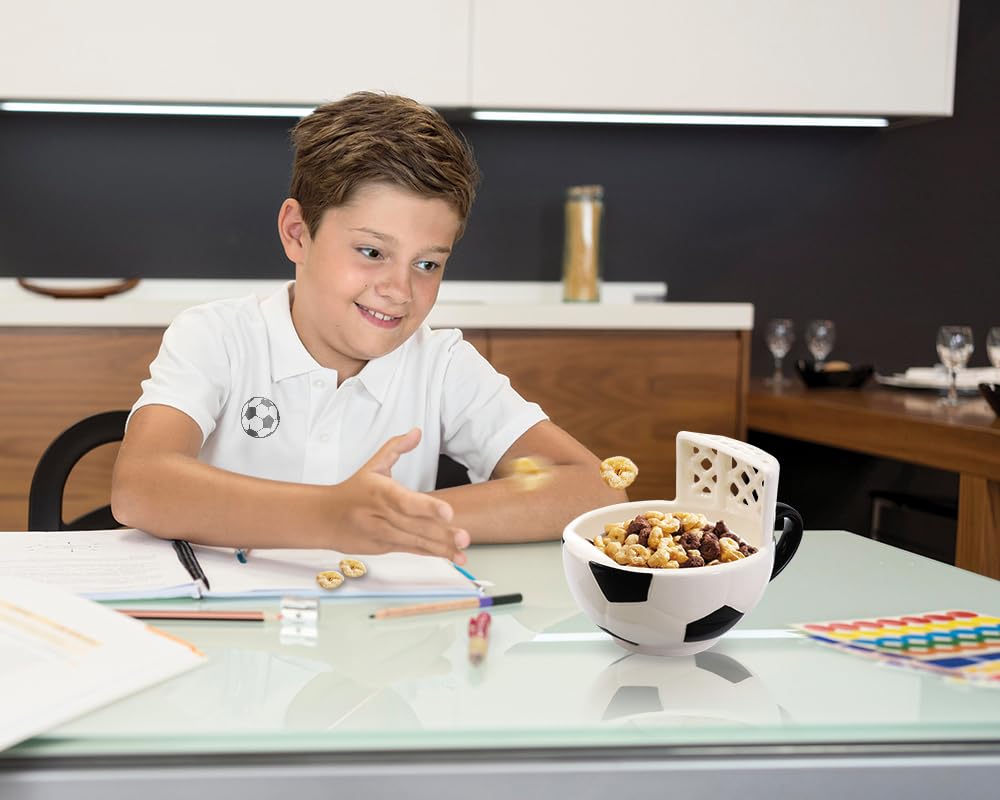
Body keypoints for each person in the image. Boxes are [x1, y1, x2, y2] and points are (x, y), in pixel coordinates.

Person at [111, 91, 625, 565]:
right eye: (372, 252)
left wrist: (393, 521)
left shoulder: (441, 366)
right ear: (297, 234)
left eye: (427, 264)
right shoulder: (217, 337)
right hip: (235, 645)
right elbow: (142, 484)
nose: (399, 290)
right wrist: (330, 516)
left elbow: (594, 487)